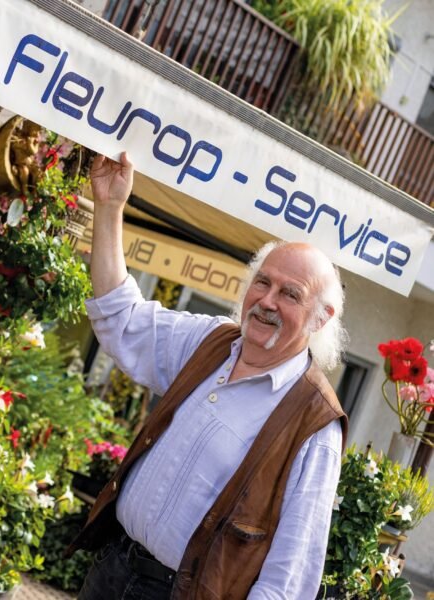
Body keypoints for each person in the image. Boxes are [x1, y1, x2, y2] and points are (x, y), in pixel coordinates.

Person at [72, 153, 349, 599]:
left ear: (320, 318)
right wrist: (109, 207)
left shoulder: (314, 423)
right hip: (112, 570)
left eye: (290, 294)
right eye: (263, 282)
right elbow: (122, 321)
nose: (268, 301)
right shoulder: (212, 342)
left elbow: (291, 574)